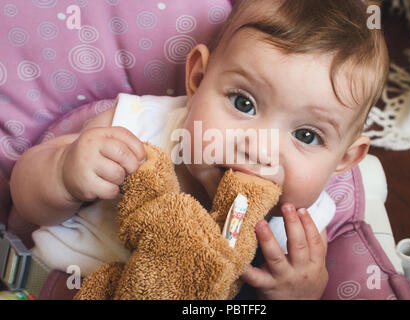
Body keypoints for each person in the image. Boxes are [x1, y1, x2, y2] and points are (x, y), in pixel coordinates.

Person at [10, 0, 389, 299]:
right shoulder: (134, 129)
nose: (259, 149)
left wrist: (300, 290)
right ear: (198, 79)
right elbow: (26, 201)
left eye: (306, 136)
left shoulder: (302, 229)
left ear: (344, 160)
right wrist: (64, 173)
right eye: (243, 104)